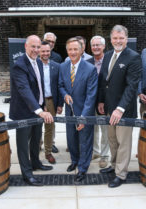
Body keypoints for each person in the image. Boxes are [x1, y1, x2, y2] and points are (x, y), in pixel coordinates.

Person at [98, 25, 142, 188]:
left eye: (121, 38)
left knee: (123, 142)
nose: (118, 41)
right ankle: (114, 165)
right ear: (111, 39)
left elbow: (131, 86)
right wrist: (101, 101)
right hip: (109, 107)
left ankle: (121, 173)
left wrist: (120, 109)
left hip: (124, 110)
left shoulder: (133, 57)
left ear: (126, 39)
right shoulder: (108, 55)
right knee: (112, 139)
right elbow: (104, 81)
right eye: (115, 38)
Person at [9, 35, 54, 186]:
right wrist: (38, 110)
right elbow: (24, 89)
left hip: (38, 109)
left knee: (36, 139)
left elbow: (38, 87)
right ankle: (27, 174)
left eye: (38, 47)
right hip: (23, 112)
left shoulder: (39, 63)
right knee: (23, 145)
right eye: (33, 47)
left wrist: (42, 105)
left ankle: (36, 163)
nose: (36, 50)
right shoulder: (19, 65)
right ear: (26, 47)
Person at [59, 37, 98, 182]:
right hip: (69, 111)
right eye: (70, 49)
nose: (73, 52)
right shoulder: (63, 67)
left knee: (85, 141)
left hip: (84, 112)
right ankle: (74, 160)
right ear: (67, 51)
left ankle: (83, 167)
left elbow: (91, 95)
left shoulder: (90, 69)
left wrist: (83, 117)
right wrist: (64, 94)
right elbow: (60, 85)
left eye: (76, 49)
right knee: (71, 139)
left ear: (82, 50)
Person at [87, 35, 110, 168]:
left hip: (105, 102)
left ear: (103, 46)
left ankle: (105, 155)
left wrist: (103, 101)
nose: (96, 47)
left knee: (105, 129)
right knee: (92, 128)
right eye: (93, 45)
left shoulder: (109, 61)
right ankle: (95, 152)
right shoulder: (88, 62)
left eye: (98, 45)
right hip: (90, 101)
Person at [39, 41, 64, 164]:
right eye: (43, 51)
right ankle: (36, 147)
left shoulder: (56, 66)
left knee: (49, 127)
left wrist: (60, 104)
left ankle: (48, 152)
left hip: (51, 101)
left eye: (47, 51)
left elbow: (60, 86)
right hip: (38, 102)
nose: (45, 53)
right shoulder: (34, 65)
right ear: (39, 51)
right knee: (36, 127)